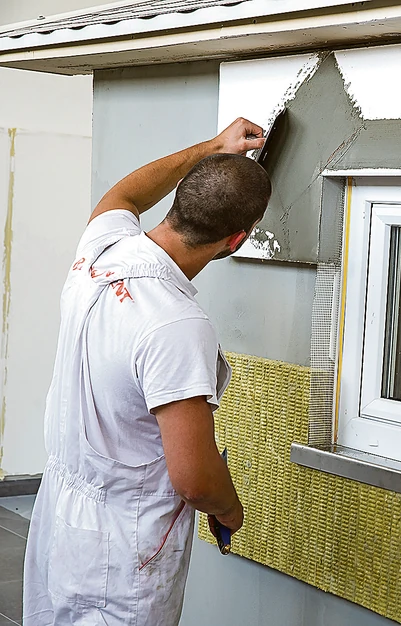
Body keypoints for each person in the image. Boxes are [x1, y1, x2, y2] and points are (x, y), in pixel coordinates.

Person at [22, 118, 271, 625]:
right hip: (120, 549)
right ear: (237, 240)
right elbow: (194, 479)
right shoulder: (177, 324)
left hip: (61, 515)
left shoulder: (102, 248)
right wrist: (229, 508)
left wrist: (214, 146)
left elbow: (127, 194)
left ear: (178, 200)